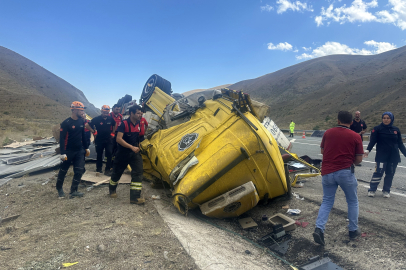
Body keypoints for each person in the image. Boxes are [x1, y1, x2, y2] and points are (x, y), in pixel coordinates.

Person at [313, 111, 363, 245]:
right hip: (345, 172)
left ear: (338, 120)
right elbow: (358, 159)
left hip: (327, 172)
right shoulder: (355, 136)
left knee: (327, 201)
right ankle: (353, 230)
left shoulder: (328, 133)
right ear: (351, 123)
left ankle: (319, 229)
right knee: (352, 201)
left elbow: (323, 151)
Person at [108, 105, 145, 205]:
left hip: (134, 153)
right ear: (131, 113)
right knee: (117, 173)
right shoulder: (124, 124)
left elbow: (138, 137)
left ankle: (135, 197)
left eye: (140, 113)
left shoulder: (138, 123)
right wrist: (131, 147)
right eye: (137, 113)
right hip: (122, 153)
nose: (139, 115)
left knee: (138, 172)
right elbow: (118, 139)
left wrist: (138, 146)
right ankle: (112, 190)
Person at [364, 112, 406, 198]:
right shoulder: (377, 129)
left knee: (390, 174)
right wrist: (367, 151)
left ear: (391, 119)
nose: (386, 120)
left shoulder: (396, 130)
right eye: (384, 118)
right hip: (381, 156)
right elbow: (372, 141)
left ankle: (386, 191)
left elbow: (400, 144)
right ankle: (372, 190)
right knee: (378, 173)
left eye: (388, 118)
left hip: (393, 156)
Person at [57, 101, 90, 198]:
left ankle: (73, 190)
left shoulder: (81, 121)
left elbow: (83, 135)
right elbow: (62, 139)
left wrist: (86, 147)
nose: (82, 112)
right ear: (74, 110)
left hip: (79, 150)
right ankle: (59, 188)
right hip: (68, 151)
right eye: (81, 110)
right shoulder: (66, 123)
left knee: (79, 171)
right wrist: (62, 153)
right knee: (63, 170)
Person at [86, 105, 116, 176]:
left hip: (108, 139)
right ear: (101, 111)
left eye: (107, 112)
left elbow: (115, 124)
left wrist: (113, 132)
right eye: (104, 112)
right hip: (99, 140)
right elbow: (87, 125)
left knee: (109, 153)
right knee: (99, 154)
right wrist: (93, 131)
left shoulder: (110, 118)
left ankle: (107, 170)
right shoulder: (96, 119)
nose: (105, 114)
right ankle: (99, 169)